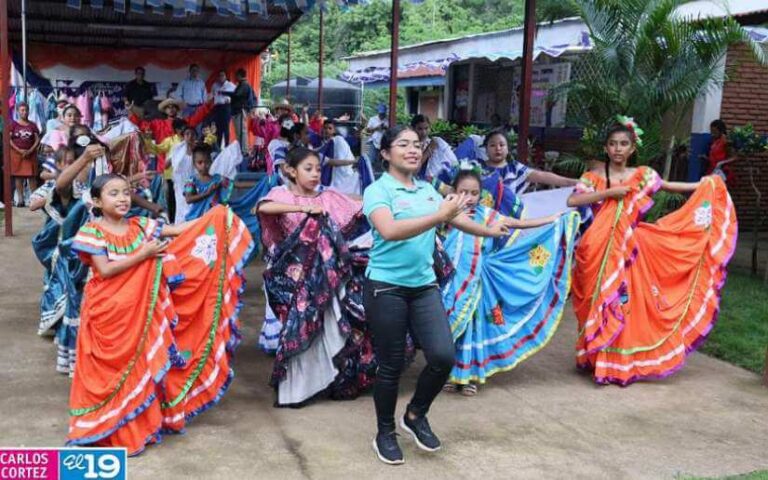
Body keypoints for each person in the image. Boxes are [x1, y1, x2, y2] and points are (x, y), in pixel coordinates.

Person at [67, 173, 253, 455]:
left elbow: (179, 231)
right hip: (107, 314)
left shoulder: (141, 226)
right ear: (96, 201)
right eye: (113, 193)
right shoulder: (91, 232)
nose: (122, 198)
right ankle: (103, 429)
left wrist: (214, 217)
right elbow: (104, 270)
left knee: (141, 365)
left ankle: (138, 429)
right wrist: (143, 254)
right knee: (108, 375)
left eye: (126, 192)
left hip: (139, 313)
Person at [363, 126, 510, 465]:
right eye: (403, 145)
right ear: (385, 153)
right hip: (385, 287)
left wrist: (489, 230)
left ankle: (415, 414)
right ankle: (385, 432)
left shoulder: (427, 189)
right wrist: (439, 216)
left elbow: (456, 218)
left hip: (424, 286)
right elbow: (390, 230)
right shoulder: (378, 190)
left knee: (443, 356)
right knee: (391, 365)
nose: (413, 150)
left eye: (417, 144)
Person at [567, 118, 737, 386]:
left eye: (624, 144)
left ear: (632, 148)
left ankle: (615, 363)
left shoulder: (643, 174)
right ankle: (594, 356)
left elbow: (668, 186)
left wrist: (706, 185)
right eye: (613, 144)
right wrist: (611, 192)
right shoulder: (593, 177)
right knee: (594, 300)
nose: (618, 149)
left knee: (623, 303)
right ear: (606, 147)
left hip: (629, 248)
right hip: (596, 247)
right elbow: (573, 200)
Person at [440, 168, 576, 396]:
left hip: (479, 282)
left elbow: (516, 223)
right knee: (454, 325)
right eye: (464, 191)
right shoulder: (446, 213)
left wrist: (551, 219)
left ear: (481, 195)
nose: (469, 197)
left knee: (475, 327)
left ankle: (470, 376)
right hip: (453, 281)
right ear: (454, 192)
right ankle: (453, 374)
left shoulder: (487, 215)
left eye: (474, 193)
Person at [256, 147, 375, 406]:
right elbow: (264, 207)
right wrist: (305, 209)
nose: (314, 174)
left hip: (325, 277)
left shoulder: (328, 197)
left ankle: (333, 381)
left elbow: (359, 205)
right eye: (308, 169)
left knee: (330, 328)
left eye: (318, 169)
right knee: (299, 328)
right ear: (291, 171)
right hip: (296, 278)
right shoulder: (280, 194)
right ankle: (297, 390)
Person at [481, 129, 578, 216]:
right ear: (486, 149)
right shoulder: (476, 167)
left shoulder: (515, 169)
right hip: (479, 217)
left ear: (507, 149)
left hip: (508, 219)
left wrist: (574, 182)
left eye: (502, 145)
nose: (498, 148)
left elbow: (543, 176)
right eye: (492, 145)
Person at [183, 143, 232, 220]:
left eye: (207, 162)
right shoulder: (191, 181)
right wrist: (207, 193)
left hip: (213, 221)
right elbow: (188, 199)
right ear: (194, 164)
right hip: (195, 221)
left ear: (211, 161)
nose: (204, 165)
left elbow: (233, 185)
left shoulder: (218, 179)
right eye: (200, 162)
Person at [410, 114, 458, 194]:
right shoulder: (410, 145)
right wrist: (429, 150)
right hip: (417, 182)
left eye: (426, 128)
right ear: (413, 129)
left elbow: (452, 161)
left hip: (434, 180)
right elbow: (413, 170)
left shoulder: (435, 142)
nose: (424, 132)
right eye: (420, 129)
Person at [318, 119, 364, 195]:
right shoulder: (326, 142)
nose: (326, 130)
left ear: (334, 131)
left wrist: (354, 161)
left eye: (330, 128)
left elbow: (338, 162)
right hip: (337, 179)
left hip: (344, 179)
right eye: (325, 128)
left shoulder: (338, 140)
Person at [9, 102, 41, 206]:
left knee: (32, 177)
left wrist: (31, 150)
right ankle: (20, 200)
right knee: (19, 177)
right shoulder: (13, 124)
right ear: (17, 111)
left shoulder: (33, 125)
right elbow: (9, 140)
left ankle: (34, 200)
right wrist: (19, 150)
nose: (24, 112)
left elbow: (37, 139)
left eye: (26, 110)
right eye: (22, 110)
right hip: (17, 154)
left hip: (30, 154)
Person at [226, 68, 256, 154]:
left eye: (236, 75)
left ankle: (244, 150)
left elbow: (237, 95)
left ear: (239, 75)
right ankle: (242, 149)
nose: (235, 77)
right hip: (237, 110)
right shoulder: (242, 85)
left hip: (240, 111)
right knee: (239, 131)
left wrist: (224, 93)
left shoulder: (244, 85)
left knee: (241, 131)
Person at [705, 119, 737, 184]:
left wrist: (722, 163)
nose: (712, 134)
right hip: (712, 170)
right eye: (711, 132)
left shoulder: (726, 141)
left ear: (721, 131)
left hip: (721, 172)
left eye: (714, 132)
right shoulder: (715, 141)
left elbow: (735, 157)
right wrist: (706, 158)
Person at [210, 70, 236, 146]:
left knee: (226, 127)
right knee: (218, 127)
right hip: (217, 107)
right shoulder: (215, 85)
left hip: (226, 107)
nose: (221, 77)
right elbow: (211, 95)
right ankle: (218, 147)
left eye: (222, 75)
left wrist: (231, 100)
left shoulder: (230, 85)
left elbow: (236, 95)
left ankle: (227, 146)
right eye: (219, 75)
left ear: (225, 76)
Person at [365, 104, 388, 169]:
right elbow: (367, 131)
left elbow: (390, 131)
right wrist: (376, 128)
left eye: (383, 114)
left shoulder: (387, 120)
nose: (381, 115)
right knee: (371, 160)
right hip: (373, 142)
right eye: (380, 113)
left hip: (382, 143)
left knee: (380, 162)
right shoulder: (372, 119)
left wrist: (386, 128)